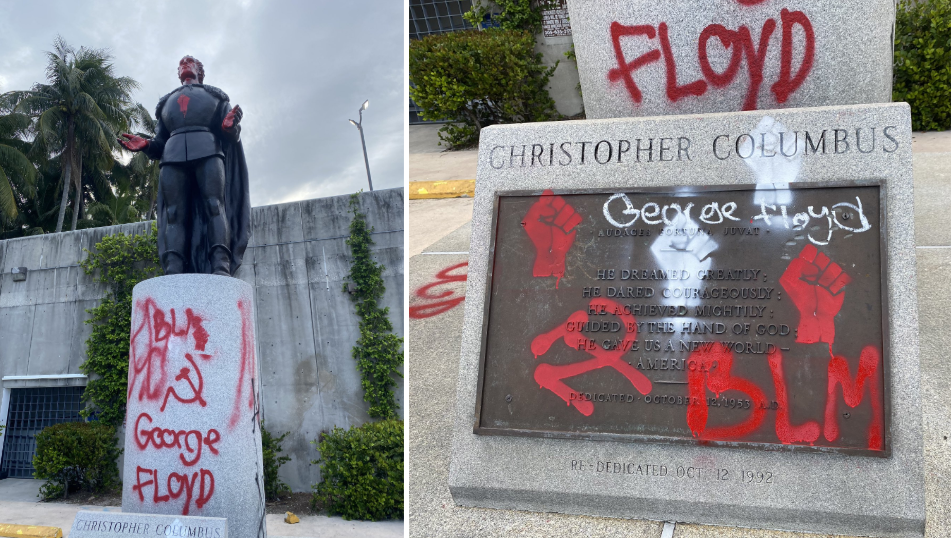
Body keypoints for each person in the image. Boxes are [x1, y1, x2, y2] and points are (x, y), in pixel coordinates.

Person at [119, 55, 250, 276]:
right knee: (173, 213)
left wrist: (229, 128)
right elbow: (160, 142)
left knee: (214, 206)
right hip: (173, 155)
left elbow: (230, 135)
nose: (184, 66)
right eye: (181, 65)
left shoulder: (216, 96)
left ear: (200, 71)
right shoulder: (166, 103)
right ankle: (174, 268)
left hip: (208, 150)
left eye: (190, 63)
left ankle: (221, 265)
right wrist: (147, 145)